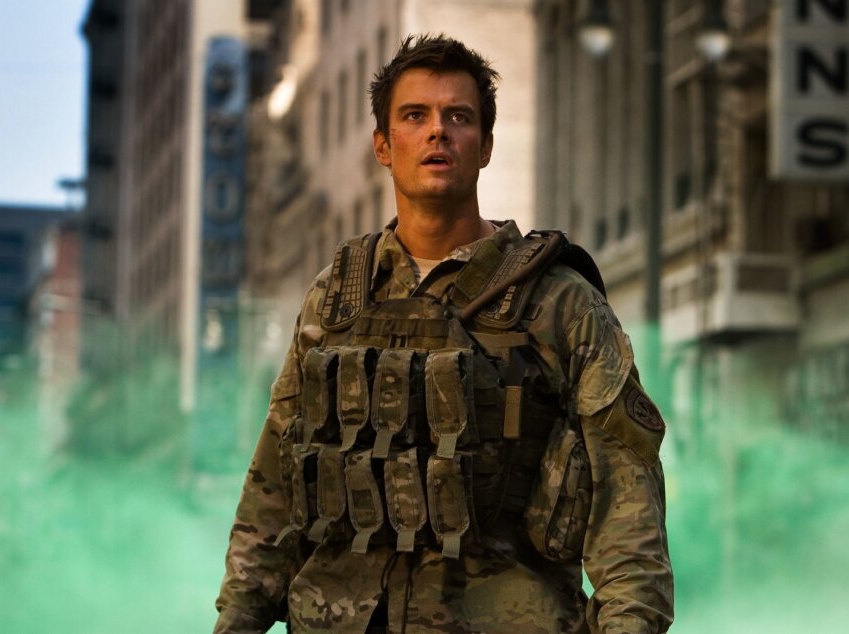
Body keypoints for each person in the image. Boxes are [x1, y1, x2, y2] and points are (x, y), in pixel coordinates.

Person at [215, 34, 673, 633]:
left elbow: (629, 532)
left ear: (485, 146)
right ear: (383, 145)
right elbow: (272, 494)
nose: (438, 131)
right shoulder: (336, 300)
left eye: (458, 117)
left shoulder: (560, 303)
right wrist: (238, 620)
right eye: (415, 116)